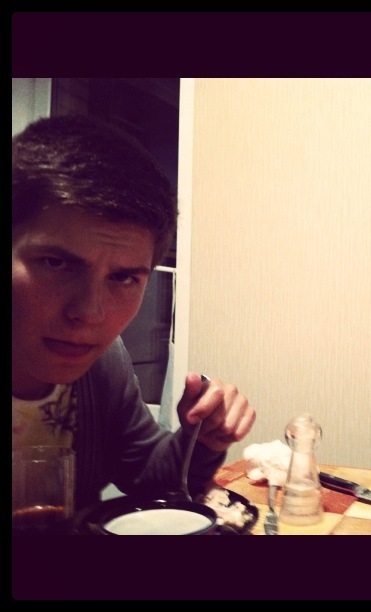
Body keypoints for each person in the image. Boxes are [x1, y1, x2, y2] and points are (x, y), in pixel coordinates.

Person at [12, 114, 257, 512]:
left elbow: (146, 474)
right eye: (57, 263)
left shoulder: (102, 363)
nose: (90, 313)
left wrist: (202, 439)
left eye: (124, 277)